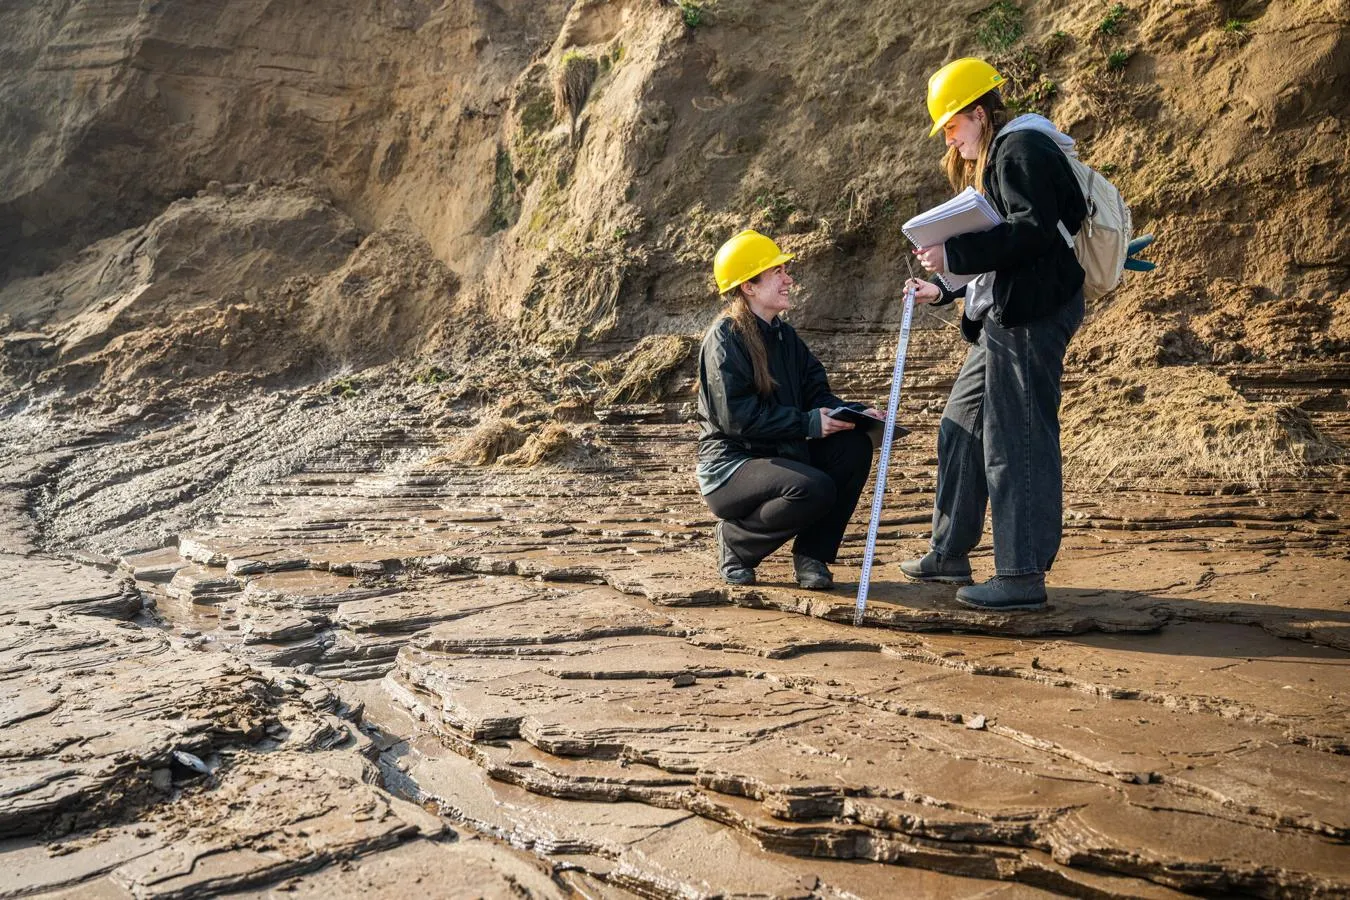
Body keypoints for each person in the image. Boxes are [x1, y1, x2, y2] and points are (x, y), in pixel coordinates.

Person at [901, 57, 1089, 611]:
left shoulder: (1020, 148)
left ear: (978, 114)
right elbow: (1012, 242)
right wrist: (949, 287)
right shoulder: (1008, 152)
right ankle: (950, 551)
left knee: (1017, 440)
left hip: (1030, 315)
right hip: (1007, 314)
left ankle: (1022, 575)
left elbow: (1031, 234)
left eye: (952, 126)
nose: (949, 138)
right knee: (961, 424)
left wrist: (952, 252)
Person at [695, 229, 879, 590]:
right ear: (749, 286)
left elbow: (817, 395)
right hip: (731, 466)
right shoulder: (724, 338)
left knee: (854, 447)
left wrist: (855, 414)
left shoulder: (784, 336)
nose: (788, 278)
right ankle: (736, 541)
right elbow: (738, 419)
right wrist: (809, 423)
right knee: (814, 488)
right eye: (777, 272)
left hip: (782, 452)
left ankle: (812, 556)